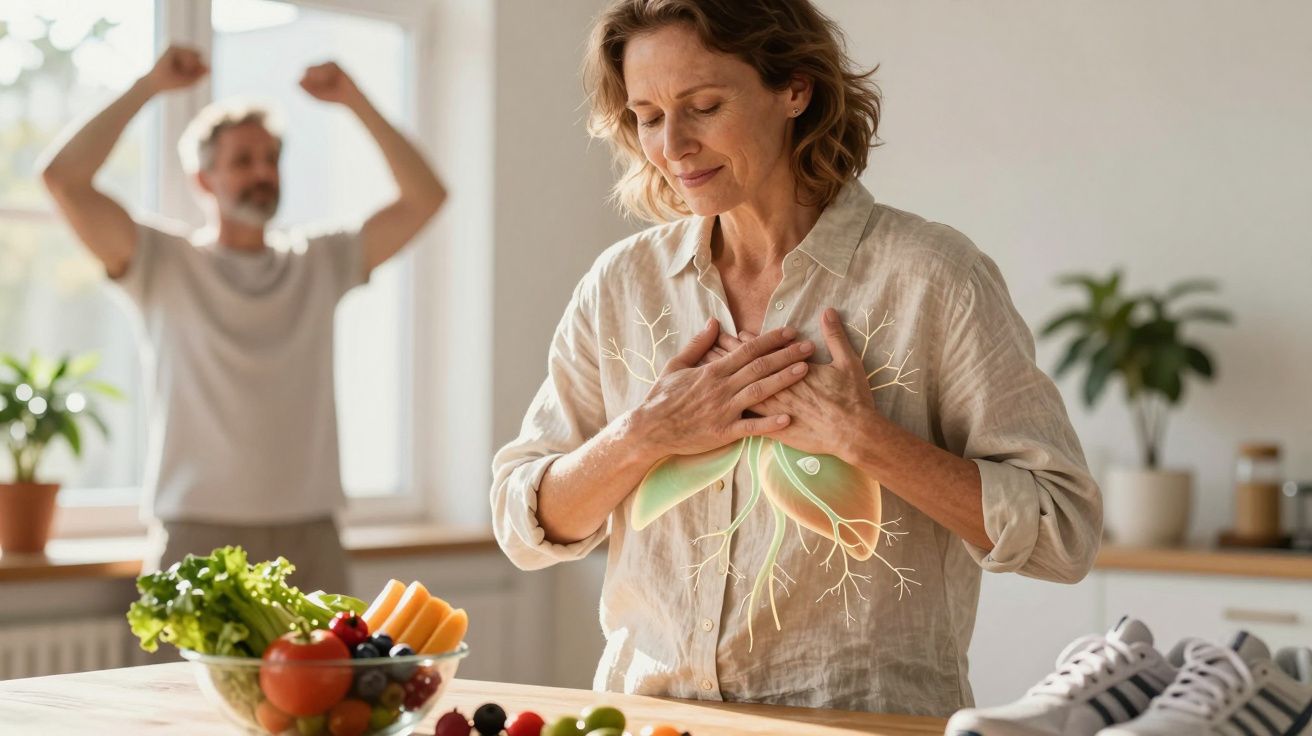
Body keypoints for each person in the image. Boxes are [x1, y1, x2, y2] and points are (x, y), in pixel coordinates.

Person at [491, 0, 1100, 717]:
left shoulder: (933, 277)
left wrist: (867, 442)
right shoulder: (622, 285)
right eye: (649, 117)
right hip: (646, 721)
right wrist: (645, 434)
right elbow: (522, 524)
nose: (674, 145)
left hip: (864, 726)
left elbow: (1062, 534)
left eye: (704, 105)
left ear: (795, 89)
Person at [40, 46, 446, 593]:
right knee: (175, 685)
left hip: (311, 533)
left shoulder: (320, 261)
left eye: (270, 158)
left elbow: (425, 197)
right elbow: (64, 179)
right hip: (196, 533)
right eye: (242, 160)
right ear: (203, 180)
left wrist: (354, 99)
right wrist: (148, 84)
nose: (262, 172)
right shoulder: (161, 262)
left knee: (335, 682)